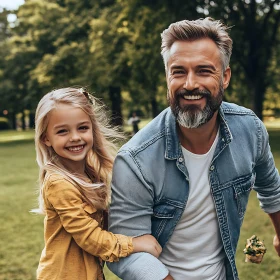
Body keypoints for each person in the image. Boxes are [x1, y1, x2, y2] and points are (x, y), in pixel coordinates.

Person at [107, 17, 280, 280]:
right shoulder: (135, 160)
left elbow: (271, 187)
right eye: (178, 71)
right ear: (167, 77)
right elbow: (126, 248)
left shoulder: (250, 129)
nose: (190, 84)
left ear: (225, 77)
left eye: (203, 70)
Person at [33, 87, 162, 280]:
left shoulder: (88, 174)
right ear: (46, 138)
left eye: (82, 128)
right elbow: (91, 239)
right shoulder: (59, 183)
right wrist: (135, 243)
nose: (75, 137)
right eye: (62, 131)